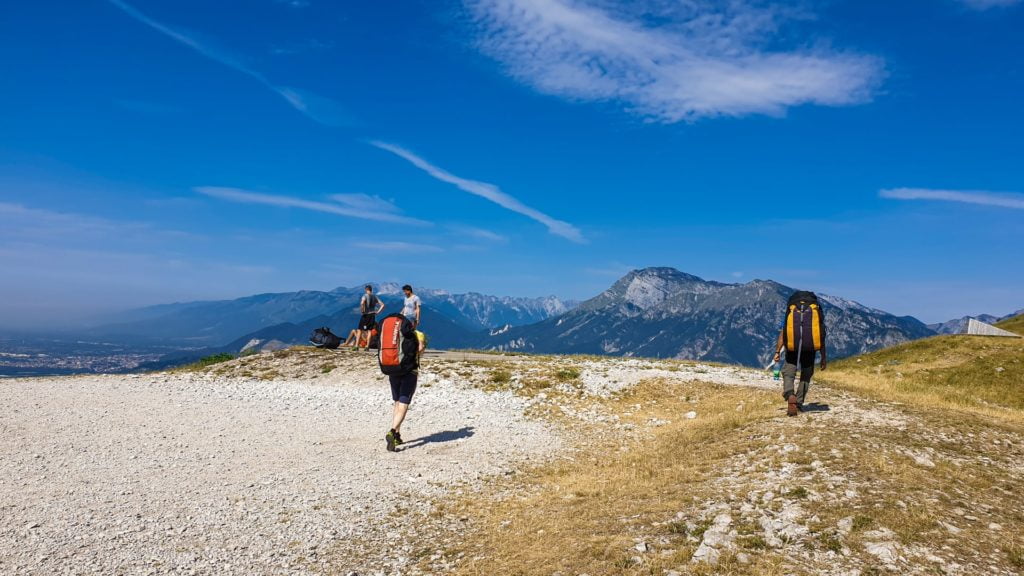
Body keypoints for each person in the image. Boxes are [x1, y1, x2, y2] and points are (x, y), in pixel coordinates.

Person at [772, 290, 827, 417]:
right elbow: (821, 336)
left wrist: (777, 351)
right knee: (806, 375)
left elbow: (783, 333)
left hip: (792, 347)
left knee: (788, 372)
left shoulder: (792, 311)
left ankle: (790, 394)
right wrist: (823, 357)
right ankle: (799, 401)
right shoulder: (815, 312)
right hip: (810, 348)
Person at [385, 328, 428, 452]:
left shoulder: (395, 331)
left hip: (393, 370)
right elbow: (420, 349)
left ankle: (397, 435)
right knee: (403, 405)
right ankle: (392, 432)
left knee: (397, 403)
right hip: (410, 372)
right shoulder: (418, 334)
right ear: (415, 322)